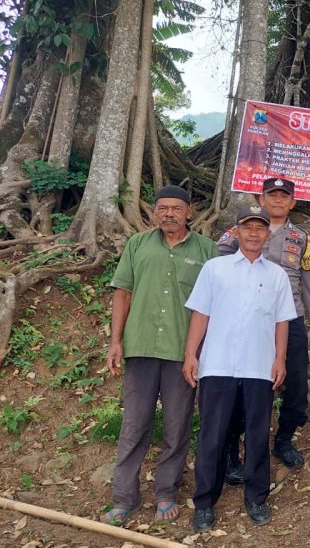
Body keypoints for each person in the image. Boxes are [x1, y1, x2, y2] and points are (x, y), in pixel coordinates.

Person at [102, 186, 218, 526]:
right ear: (154, 212)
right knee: (134, 425)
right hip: (140, 348)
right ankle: (124, 498)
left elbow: (214, 305)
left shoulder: (208, 251)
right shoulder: (137, 245)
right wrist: (115, 341)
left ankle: (166, 492)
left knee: (176, 426)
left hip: (183, 354)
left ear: (189, 213)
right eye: (162, 208)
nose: (169, 213)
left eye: (176, 208)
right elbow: (122, 294)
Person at [182, 205, 298, 531]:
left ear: (267, 233)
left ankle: (256, 496)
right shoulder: (215, 268)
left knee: (258, 435)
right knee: (212, 436)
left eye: (259, 228)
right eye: (247, 227)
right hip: (217, 365)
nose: (253, 233)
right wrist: (191, 354)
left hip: (259, 368)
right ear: (236, 231)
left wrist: (280, 358)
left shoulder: (276, 275)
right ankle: (205, 501)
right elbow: (201, 314)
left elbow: (282, 322)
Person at [217, 177, 310, 477]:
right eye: (272, 195)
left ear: (293, 202)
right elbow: (221, 270)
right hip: (249, 318)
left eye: (284, 196)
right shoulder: (238, 231)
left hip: (290, 319)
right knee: (242, 383)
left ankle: (283, 439)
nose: (278, 201)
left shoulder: (303, 239)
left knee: (296, 384)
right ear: (262, 199)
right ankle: (231, 450)